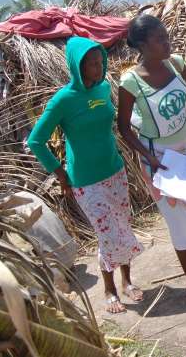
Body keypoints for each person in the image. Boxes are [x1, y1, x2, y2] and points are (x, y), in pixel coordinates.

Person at [28, 36, 144, 314]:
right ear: (76, 67)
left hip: (114, 169)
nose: (97, 67)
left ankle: (127, 280)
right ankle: (109, 289)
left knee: (123, 225)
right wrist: (60, 174)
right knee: (107, 233)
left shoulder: (104, 88)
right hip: (85, 179)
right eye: (90, 64)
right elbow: (36, 140)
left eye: (99, 61)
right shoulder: (63, 100)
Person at [118, 14, 186, 306]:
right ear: (142, 45)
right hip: (160, 161)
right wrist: (148, 158)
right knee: (177, 218)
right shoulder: (130, 82)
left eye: (167, 36)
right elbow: (124, 128)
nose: (167, 43)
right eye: (159, 39)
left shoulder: (177, 64)